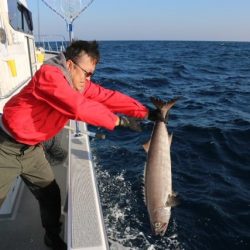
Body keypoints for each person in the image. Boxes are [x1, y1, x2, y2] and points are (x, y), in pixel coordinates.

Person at [0, 40, 162, 250]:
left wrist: (146, 112)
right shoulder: (50, 75)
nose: (88, 80)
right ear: (69, 65)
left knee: (50, 194)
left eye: (92, 75)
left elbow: (108, 97)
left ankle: (51, 237)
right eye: (86, 73)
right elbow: (76, 106)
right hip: (5, 147)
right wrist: (117, 121)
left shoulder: (77, 84)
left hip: (31, 150)